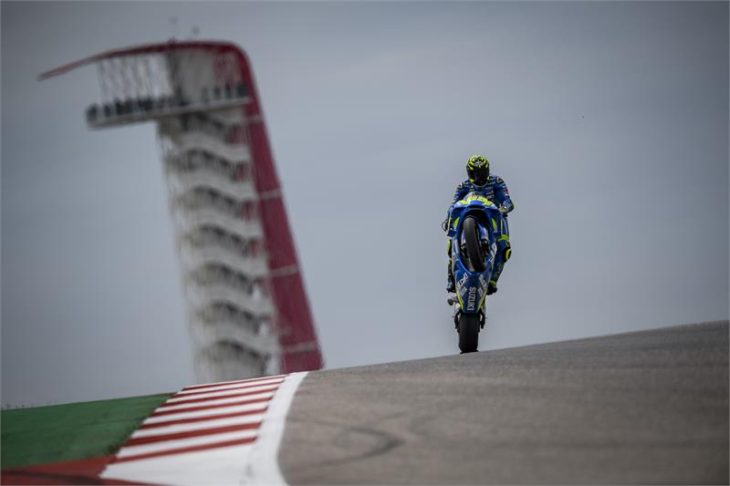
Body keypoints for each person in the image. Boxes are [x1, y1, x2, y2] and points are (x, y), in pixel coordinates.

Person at [442, 154, 514, 295]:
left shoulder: (496, 182)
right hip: (469, 212)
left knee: (504, 247)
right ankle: (451, 278)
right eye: (475, 172)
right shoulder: (463, 186)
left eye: (482, 172)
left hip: (494, 216)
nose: (478, 176)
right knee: (451, 241)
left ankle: (492, 281)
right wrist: (448, 218)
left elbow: (507, 200)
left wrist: (505, 208)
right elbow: (453, 204)